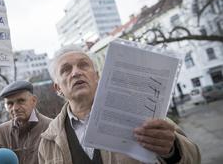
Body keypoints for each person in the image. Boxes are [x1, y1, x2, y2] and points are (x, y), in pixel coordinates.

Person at [38, 45, 201, 164]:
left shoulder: (138, 110)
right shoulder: (48, 140)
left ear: (97, 76)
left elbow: (193, 158)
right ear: (57, 88)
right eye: (66, 69)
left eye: (83, 65)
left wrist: (173, 150)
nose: (76, 72)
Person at [0, 80, 51, 164]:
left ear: (33, 101)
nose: (15, 108)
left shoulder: (51, 128)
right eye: (10, 103)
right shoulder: (0, 132)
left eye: (21, 101)